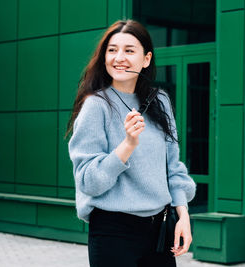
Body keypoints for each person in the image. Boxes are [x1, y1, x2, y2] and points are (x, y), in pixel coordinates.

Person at [66, 20, 196, 267]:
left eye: (129, 50)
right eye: (112, 50)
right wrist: (127, 145)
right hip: (113, 231)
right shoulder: (96, 106)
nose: (119, 57)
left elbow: (173, 166)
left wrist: (183, 215)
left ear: (146, 59)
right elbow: (88, 182)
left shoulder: (160, 101)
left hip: (159, 230)